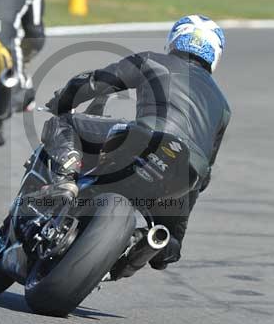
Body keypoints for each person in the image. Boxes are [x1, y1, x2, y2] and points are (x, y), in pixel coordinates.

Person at [37, 14, 230, 270]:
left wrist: (63, 101)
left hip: (144, 140)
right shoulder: (223, 106)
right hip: (185, 174)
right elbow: (204, 174)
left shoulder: (153, 60)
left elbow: (96, 82)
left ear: (174, 41)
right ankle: (152, 242)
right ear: (214, 54)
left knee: (63, 123)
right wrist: (173, 239)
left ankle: (64, 181)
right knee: (168, 242)